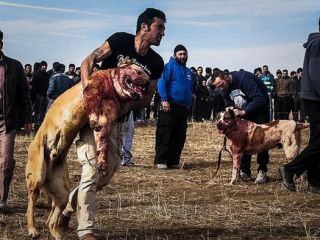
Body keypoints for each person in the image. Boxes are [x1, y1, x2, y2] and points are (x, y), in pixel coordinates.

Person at [59, 8, 166, 240]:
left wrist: (123, 107)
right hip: (94, 118)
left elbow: (148, 96)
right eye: (160, 28)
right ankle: (85, 230)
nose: (163, 33)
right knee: (91, 170)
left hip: (118, 121)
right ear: (144, 27)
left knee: (106, 174)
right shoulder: (120, 40)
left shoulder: (157, 62)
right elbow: (89, 60)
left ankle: (66, 207)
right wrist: (90, 90)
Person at [279, 17, 320, 194]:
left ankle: (315, 182)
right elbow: (317, 74)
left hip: (314, 98)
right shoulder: (318, 43)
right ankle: (289, 170)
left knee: (317, 141)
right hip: (316, 99)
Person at [210, 68, 270, 184]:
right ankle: (245, 171)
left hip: (259, 109)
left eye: (221, 85)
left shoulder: (244, 79)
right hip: (242, 112)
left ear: (226, 77)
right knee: (241, 139)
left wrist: (244, 111)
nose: (221, 89)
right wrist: (230, 108)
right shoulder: (223, 88)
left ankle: (262, 170)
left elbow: (260, 98)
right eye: (218, 87)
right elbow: (228, 102)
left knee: (262, 139)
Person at [0, 30, 32, 210]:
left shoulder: (13, 66)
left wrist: (28, 118)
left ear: (1, 45)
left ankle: (2, 200)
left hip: (7, 121)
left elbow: (24, 94)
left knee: (6, 161)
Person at [154, 44, 193, 169]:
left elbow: (190, 88)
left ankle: (173, 161)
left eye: (184, 54)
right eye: (180, 54)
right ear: (175, 54)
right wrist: (164, 100)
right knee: (165, 133)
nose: (182, 56)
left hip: (183, 108)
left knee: (179, 135)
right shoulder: (169, 67)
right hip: (169, 106)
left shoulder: (188, 72)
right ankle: (161, 160)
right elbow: (161, 83)